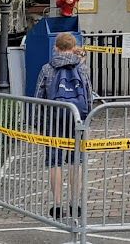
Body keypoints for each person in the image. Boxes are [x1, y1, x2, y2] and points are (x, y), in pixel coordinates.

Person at [34, 32, 92, 220]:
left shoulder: (47, 69)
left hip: (53, 121)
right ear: (74, 47)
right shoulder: (82, 68)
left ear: (56, 47)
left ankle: (57, 205)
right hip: (76, 120)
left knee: (55, 162)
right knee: (76, 161)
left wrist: (39, 124)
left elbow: (38, 98)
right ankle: (75, 204)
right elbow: (88, 96)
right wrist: (86, 121)